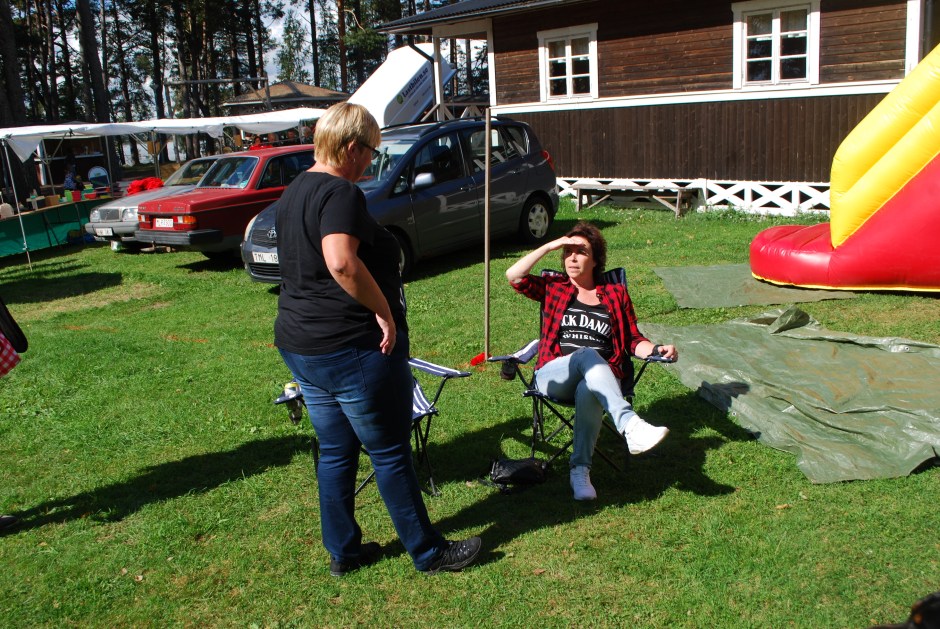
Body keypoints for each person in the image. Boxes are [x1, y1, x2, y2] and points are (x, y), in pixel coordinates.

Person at [273, 102, 481, 576]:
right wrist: (383, 311)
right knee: (389, 451)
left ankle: (343, 553)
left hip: (303, 345)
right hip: (351, 347)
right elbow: (340, 261)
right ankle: (429, 552)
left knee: (336, 451)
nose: (371, 161)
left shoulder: (296, 189)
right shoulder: (339, 192)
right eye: (370, 150)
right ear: (350, 147)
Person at [506, 221, 678, 501]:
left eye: (581, 252)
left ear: (596, 260)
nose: (572, 258)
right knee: (587, 354)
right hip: (554, 374)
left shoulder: (615, 294)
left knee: (589, 388)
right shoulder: (554, 287)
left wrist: (657, 349)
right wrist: (550, 245)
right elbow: (514, 276)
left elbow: (633, 339)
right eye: (568, 252)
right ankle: (630, 425)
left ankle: (580, 471)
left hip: (599, 379)